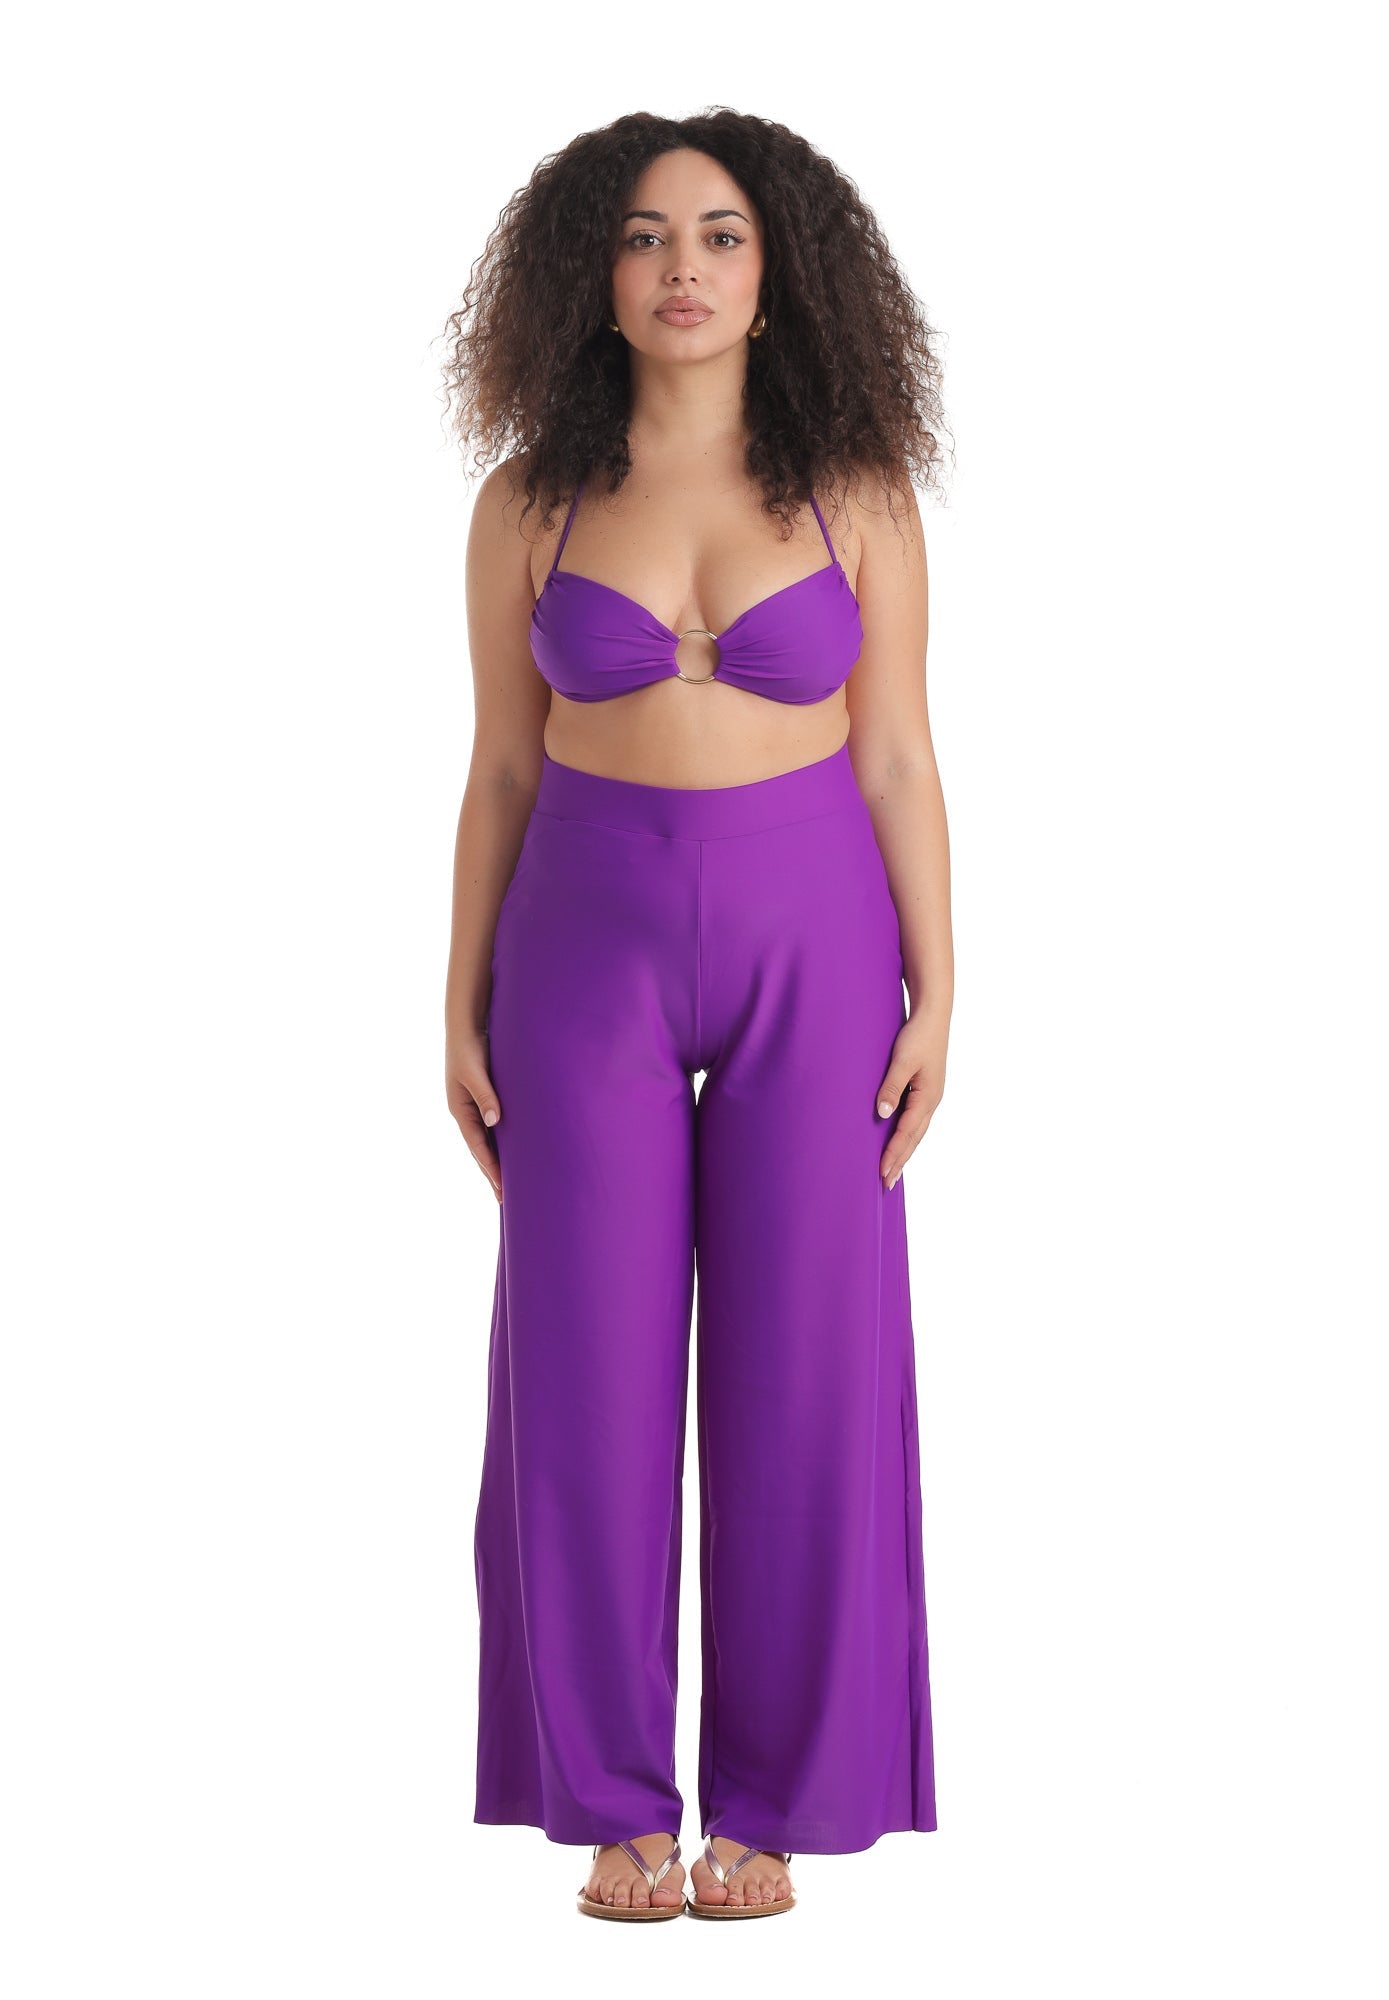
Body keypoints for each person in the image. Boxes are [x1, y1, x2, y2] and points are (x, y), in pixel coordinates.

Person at [440, 109, 953, 1922]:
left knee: (810, 1362)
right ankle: (610, 1805)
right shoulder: (527, 501)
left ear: (777, 271)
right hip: (582, 944)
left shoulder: (855, 493)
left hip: (820, 943)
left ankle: (781, 1806)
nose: (682, 268)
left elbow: (896, 757)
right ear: (589, 271)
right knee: (578, 1366)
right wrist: (454, 1000)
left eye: (721, 235)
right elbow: (503, 769)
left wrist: (942, 991)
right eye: (645, 235)